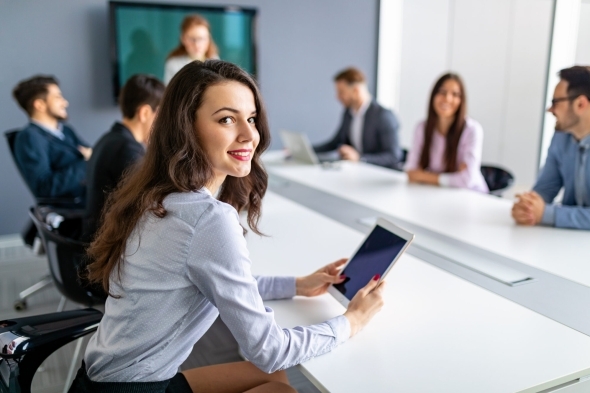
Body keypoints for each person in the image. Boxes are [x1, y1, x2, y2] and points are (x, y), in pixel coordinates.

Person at [70, 60, 385, 393]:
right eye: (227, 119)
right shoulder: (206, 219)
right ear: (186, 128)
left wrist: (298, 285)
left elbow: (222, 282)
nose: (250, 135)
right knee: (281, 388)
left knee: (272, 381)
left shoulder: (156, 193)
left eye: (250, 118)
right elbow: (269, 350)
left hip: (98, 377)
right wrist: (350, 323)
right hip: (133, 388)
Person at [83, 74, 165, 242]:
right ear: (144, 113)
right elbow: (146, 204)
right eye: (161, 116)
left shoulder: (109, 139)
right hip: (109, 246)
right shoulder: (127, 151)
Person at [512, 66, 590, 230]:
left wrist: (547, 214)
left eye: (556, 102)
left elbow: (545, 212)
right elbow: (545, 188)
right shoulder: (561, 137)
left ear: (580, 104)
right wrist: (528, 207)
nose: (550, 109)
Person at [405, 73, 488, 193]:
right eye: (442, 92)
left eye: (455, 94)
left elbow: (466, 180)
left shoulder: (472, 130)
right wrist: (453, 178)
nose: (447, 99)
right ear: (433, 95)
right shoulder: (422, 128)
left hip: (471, 195)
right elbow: (411, 172)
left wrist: (423, 175)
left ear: (461, 100)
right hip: (437, 193)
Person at [12, 75, 91, 199]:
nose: (65, 102)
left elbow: (92, 153)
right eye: (58, 97)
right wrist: (87, 163)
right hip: (77, 206)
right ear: (40, 105)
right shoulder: (30, 137)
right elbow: (45, 187)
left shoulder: (66, 130)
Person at [313, 67, 403, 169]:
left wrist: (360, 159)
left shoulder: (383, 116)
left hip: (379, 174)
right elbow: (335, 142)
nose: (337, 97)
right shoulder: (348, 113)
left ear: (355, 90)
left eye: (341, 92)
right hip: (357, 172)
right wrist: (307, 150)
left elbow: (394, 156)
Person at [164, 14, 219, 84]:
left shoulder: (215, 60)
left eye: (201, 39)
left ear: (208, 39)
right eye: (192, 39)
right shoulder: (173, 64)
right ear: (183, 39)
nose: (197, 44)